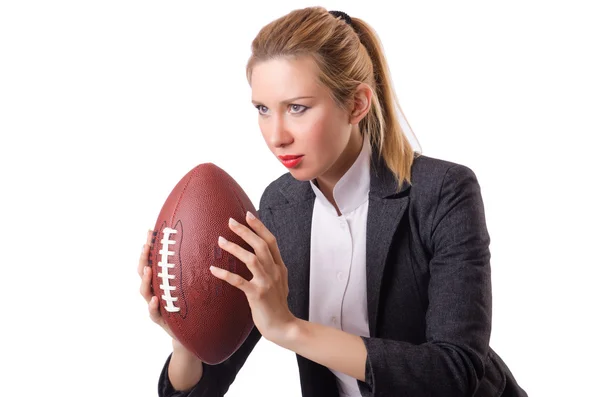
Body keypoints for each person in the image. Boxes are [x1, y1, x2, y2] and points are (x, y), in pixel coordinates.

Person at [138, 6, 528, 397]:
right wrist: (184, 338)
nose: (277, 136)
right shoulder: (278, 207)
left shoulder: (443, 192)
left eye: (297, 108)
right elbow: (205, 384)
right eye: (262, 109)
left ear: (357, 104)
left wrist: (291, 329)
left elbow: (453, 372)